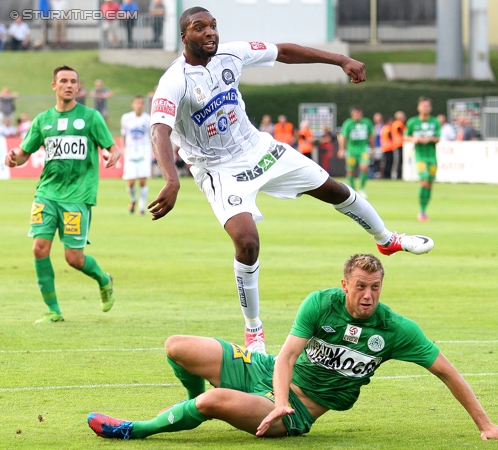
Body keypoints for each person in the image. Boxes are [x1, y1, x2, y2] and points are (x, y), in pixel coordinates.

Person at [146, 7, 434, 354]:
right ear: (184, 36)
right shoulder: (174, 80)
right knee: (247, 241)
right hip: (218, 168)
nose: (210, 32)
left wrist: (341, 59)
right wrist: (171, 180)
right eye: (199, 27)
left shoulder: (232, 54)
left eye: (213, 26)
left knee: (334, 190)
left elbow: (284, 51)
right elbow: (159, 129)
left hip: (257, 148)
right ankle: (254, 329)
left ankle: (386, 239)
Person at [87, 253, 498, 441]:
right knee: (176, 346)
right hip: (267, 373)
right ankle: (188, 403)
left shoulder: (395, 329)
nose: (368, 296)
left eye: (376, 288)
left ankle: (136, 429)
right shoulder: (321, 303)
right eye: (361, 287)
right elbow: (289, 356)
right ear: (345, 285)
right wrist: (274, 396)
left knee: (216, 400)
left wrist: (485, 423)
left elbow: (446, 370)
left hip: (298, 410)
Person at [3, 65, 120, 323]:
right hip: (46, 193)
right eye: (64, 81)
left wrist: (113, 155)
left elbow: (112, 147)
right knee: (39, 248)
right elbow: (24, 154)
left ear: (78, 87)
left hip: (77, 197)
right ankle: (53, 311)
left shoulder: (90, 118)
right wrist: (13, 159)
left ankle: (103, 279)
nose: (69, 85)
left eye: (73, 81)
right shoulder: (43, 120)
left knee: (73, 258)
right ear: (54, 86)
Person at [405, 97, 440, 222]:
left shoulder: (435, 122)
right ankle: (421, 211)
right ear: (418, 108)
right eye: (423, 105)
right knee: (424, 181)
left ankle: (424, 210)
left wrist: (429, 139)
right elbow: (406, 137)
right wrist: (414, 139)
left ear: (430, 108)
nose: (425, 108)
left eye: (427, 106)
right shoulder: (412, 122)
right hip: (420, 157)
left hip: (432, 157)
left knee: (429, 184)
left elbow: (438, 138)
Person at [121, 95, 152, 215]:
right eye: (137, 103)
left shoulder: (148, 119)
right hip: (130, 152)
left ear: (143, 105)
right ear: (133, 104)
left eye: (141, 103)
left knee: (143, 180)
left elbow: (152, 136)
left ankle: (142, 208)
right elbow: (124, 134)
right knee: (131, 182)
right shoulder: (126, 118)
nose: (139, 105)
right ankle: (133, 199)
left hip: (144, 151)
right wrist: (124, 149)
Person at [338, 106, 374, 198]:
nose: (357, 115)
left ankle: (361, 188)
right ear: (352, 114)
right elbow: (343, 137)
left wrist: (373, 148)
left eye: (359, 113)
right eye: (355, 113)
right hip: (351, 151)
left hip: (363, 150)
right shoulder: (348, 123)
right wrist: (341, 149)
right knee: (350, 171)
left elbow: (371, 135)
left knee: (364, 167)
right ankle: (353, 189)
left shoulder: (367, 122)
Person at [391, 111, 406, 180]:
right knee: (398, 161)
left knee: (397, 161)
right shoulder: (399, 123)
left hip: (396, 144)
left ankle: (396, 175)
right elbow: (401, 131)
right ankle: (397, 175)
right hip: (399, 144)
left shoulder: (394, 123)